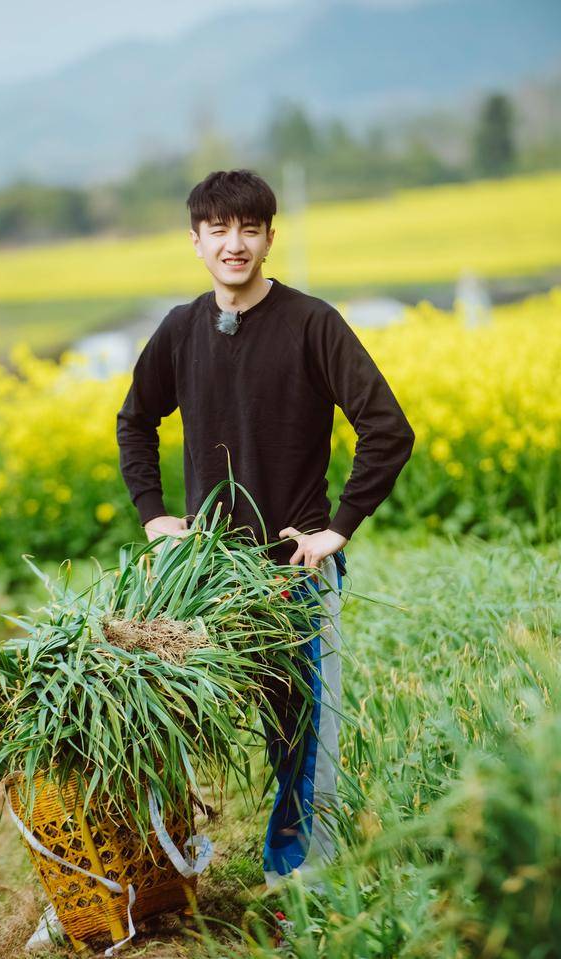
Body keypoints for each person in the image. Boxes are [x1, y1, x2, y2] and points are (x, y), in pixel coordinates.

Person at [115, 168, 415, 892]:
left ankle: (297, 888)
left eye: (249, 228)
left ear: (270, 238)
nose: (234, 243)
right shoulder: (182, 328)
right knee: (156, 726)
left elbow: (388, 430)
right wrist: (157, 515)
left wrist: (337, 530)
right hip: (203, 580)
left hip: (292, 578)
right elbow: (135, 419)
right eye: (218, 229)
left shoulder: (313, 324)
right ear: (195, 241)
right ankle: (151, 874)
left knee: (302, 741)